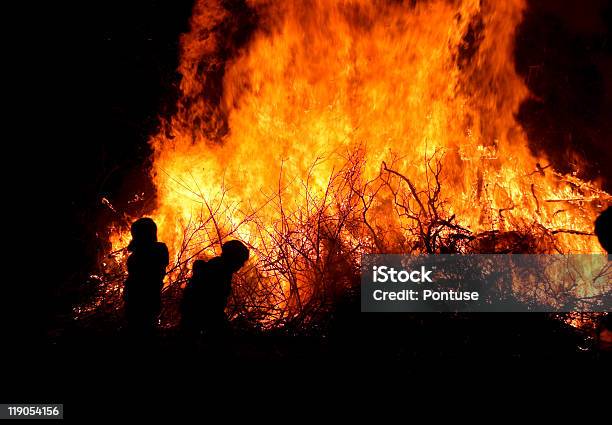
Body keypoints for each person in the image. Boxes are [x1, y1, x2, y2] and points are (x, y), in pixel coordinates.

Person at [180, 240, 249, 339]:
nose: (242, 265)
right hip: (197, 315)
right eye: (241, 260)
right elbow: (210, 305)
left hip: (198, 314)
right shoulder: (218, 271)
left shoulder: (219, 268)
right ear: (233, 258)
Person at [124, 218, 169, 338]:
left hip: (138, 300)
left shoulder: (139, 254)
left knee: (138, 332)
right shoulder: (161, 249)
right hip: (152, 299)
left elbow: (136, 272)